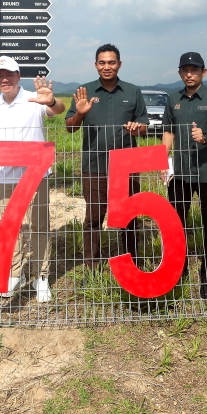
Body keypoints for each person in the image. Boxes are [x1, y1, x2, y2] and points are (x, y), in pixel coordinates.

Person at [0, 56, 65, 303]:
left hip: (36, 174)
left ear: (18, 76)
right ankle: (14, 274)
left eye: (9, 74)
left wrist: (51, 100)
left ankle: (41, 277)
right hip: (7, 176)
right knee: (13, 228)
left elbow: (58, 109)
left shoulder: (34, 98)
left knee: (40, 226)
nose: (4, 79)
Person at [65, 44, 148, 269]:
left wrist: (136, 127)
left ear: (119, 64)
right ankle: (92, 267)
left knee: (128, 218)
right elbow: (70, 127)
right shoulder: (85, 91)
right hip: (94, 166)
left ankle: (132, 265)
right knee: (93, 219)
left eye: (111, 62)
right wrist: (80, 114)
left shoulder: (133, 92)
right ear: (95, 65)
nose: (107, 67)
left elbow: (144, 127)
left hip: (126, 166)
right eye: (102, 62)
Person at [161, 52, 207, 300]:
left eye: (194, 69)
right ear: (180, 72)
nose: (189, 74)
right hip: (181, 174)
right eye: (185, 70)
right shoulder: (173, 99)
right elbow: (169, 132)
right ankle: (177, 271)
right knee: (176, 224)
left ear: (204, 72)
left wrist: (206, 138)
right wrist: (163, 160)